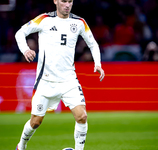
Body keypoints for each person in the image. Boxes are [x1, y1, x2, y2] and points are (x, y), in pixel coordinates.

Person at [15, 0, 105, 150]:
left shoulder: (79, 22)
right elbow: (20, 33)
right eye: (64, 1)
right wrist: (25, 50)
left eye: (70, 1)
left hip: (69, 80)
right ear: (55, 1)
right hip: (46, 81)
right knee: (35, 122)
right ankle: (21, 146)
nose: (67, 5)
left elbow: (93, 43)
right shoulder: (44, 20)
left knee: (82, 116)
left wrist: (98, 63)